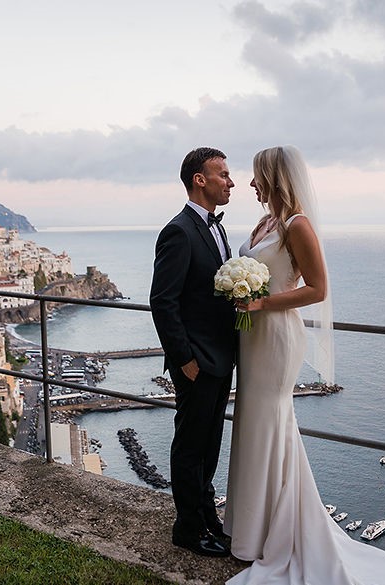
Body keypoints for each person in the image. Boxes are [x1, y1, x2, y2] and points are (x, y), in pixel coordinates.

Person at [224, 146, 385, 584]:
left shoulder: (298, 225)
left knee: (270, 422)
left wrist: (262, 300)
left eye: (257, 175)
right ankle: (252, 530)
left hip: (277, 335)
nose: (250, 184)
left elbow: (317, 289)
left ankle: (271, 533)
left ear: (275, 176)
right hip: (252, 336)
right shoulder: (266, 222)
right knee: (251, 422)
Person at [150, 146, 238, 558]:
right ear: (199, 180)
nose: (230, 181)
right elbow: (162, 301)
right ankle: (186, 528)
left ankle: (207, 517)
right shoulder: (179, 231)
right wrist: (185, 360)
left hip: (222, 358)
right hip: (196, 363)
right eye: (222, 174)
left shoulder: (217, 229)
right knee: (190, 447)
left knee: (210, 444)